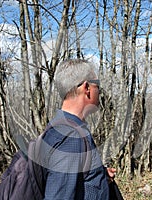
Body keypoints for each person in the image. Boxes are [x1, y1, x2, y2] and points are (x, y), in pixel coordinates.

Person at [34, 59, 116, 199]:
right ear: (87, 88)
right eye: (98, 85)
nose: (100, 91)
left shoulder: (62, 127)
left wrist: (99, 175)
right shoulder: (70, 138)